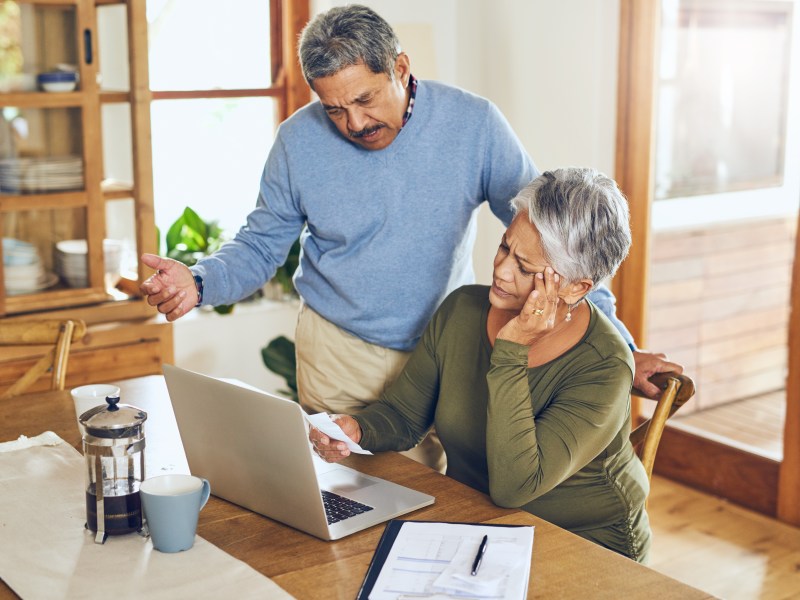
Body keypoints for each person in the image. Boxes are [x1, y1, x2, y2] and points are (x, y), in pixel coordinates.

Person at [138, 5, 680, 472]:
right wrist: (200, 279)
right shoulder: (297, 142)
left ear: (400, 67)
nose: (352, 123)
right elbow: (261, 245)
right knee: (367, 509)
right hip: (341, 355)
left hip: (452, 347)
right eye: (333, 108)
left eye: (365, 99)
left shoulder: (474, 126)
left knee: (469, 496)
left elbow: (560, 238)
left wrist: (622, 348)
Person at [311, 168, 652, 562]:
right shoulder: (462, 309)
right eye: (506, 247)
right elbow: (404, 416)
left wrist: (511, 350)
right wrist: (358, 428)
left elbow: (515, 487)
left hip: (584, 543)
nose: (502, 270)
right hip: (475, 524)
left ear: (576, 287)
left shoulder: (604, 366)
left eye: (525, 268)